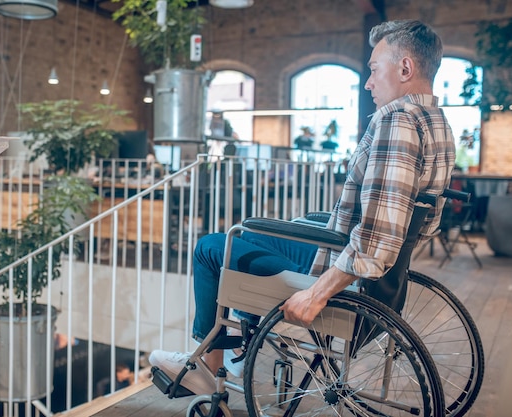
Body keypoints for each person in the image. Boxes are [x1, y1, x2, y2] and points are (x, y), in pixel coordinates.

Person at [149, 19, 456, 395]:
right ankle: (243, 329)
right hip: (377, 279)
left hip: (343, 281)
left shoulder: (398, 122)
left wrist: (315, 294)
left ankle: (206, 370)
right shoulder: (437, 122)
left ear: (405, 68)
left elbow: (376, 243)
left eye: (374, 69)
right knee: (263, 228)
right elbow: (420, 226)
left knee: (214, 246)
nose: (368, 82)